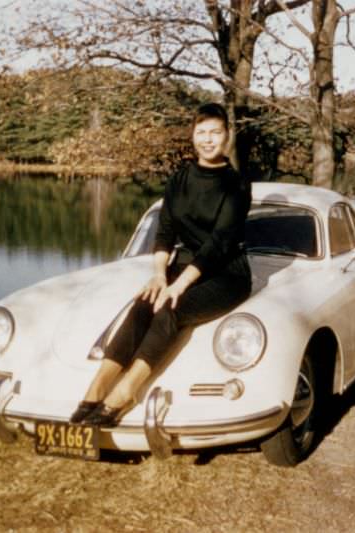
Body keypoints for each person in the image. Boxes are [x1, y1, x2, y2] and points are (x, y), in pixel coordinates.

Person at [71, 102, 252, 427]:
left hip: (227, 275)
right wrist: (158, 275)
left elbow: (218, 244)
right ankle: (96, 388)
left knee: (171, 307)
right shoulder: (179, 179)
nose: (208, 139)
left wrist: (178, 285)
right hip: (182, 266)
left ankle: (126, 390)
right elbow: (165, 231)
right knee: (144, 303)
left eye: (215, 132)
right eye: (202, 132)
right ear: (193, 135)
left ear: (226, 136)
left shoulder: (236, 184)